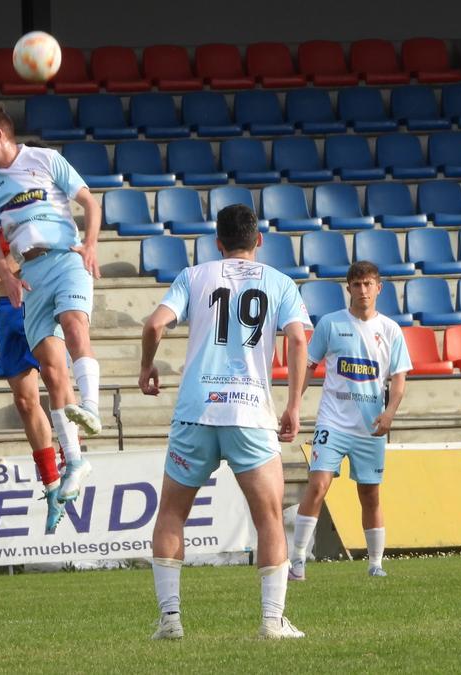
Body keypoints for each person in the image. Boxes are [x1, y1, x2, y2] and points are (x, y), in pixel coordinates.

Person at [138, 204, 312, 640]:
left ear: (216, 243)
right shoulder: (279, 283)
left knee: (172, 513)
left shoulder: (195, 276)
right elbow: (296, 339)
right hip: (250, 411)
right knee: (269, 517)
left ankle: (170, 620)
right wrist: (293, 404)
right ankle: (272, 621)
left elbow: (154, 324)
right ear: (259, 240)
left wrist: (147, 367)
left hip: (196, 411)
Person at [0, 104, 102, 506]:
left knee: (75, 326)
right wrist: (3, 279)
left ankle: (90, 406)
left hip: (66, 258)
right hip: (30, 274)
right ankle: (73, 462)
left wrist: (90, 244)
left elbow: (90, 202)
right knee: (53, 372)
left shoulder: (46, 159)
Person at [289, 261, 411, 581]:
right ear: (348, 289)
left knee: (370, 494)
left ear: (379, 287)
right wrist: (295, 405)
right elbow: (310, 366)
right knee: (318, 484)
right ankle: (298, 559)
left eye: (369, 284)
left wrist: (390, 413)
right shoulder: (330, 324)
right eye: (357, 285)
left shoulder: (390, 330)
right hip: (333, 421)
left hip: (370, 425)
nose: (363, 290)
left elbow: (398, 380)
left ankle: (375, 563)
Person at [0, 236, 78, 534]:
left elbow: (20, 257)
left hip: (39, 299)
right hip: (8, 309)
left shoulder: (30, 211)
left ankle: (72, 460)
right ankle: (51, 484)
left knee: (55, 377)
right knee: (25, 402)